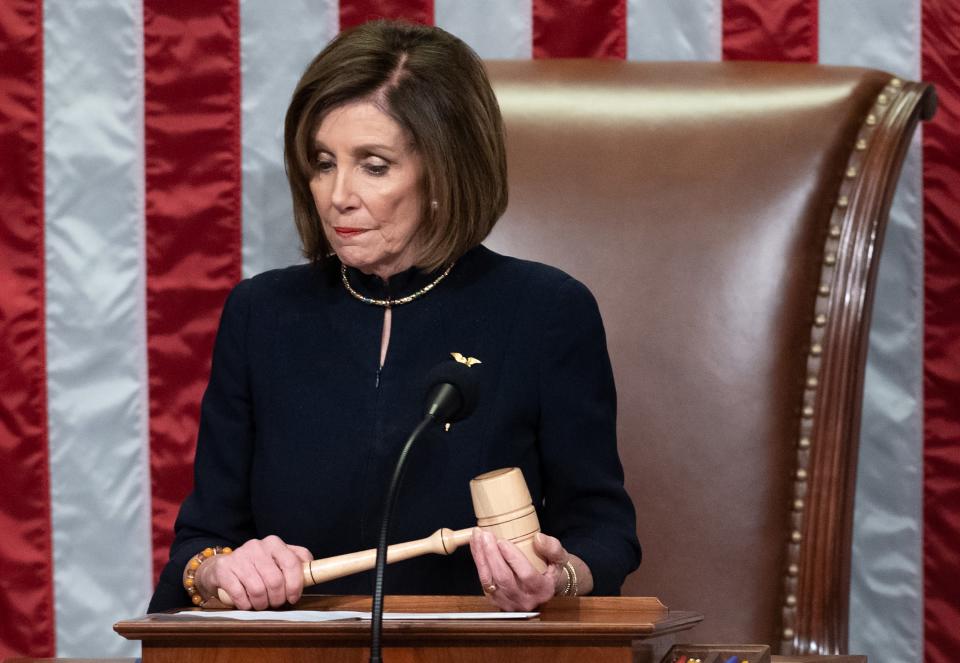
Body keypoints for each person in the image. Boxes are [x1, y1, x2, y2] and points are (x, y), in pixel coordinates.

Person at [148, 20, 640, 614]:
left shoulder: (546, 312)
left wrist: (555, 580)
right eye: (323, 162)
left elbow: (604, 534)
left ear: (443, 174)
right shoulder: (261, 315)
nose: (336, 195)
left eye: (373, 165)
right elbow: (200, 544)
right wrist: (223, 570)